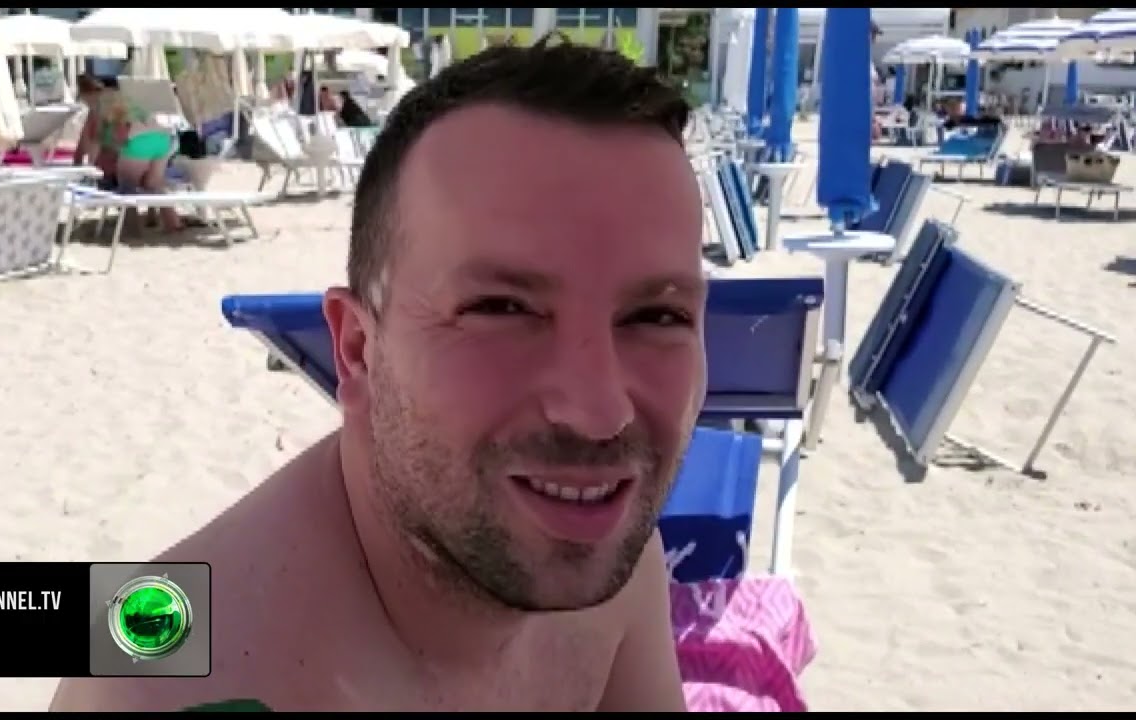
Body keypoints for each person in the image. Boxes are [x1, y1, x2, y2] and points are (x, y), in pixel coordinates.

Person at [49, 37, 702, 712]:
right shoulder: (154, 685)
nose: (599, 414)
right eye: (502, 309)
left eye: (658, 316)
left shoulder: (610, 545)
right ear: (357, 350)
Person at [98, 83, 184, 232]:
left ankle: (132, 229)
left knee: (127, 185)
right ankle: (173, 223)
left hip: (138, 140)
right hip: (163, 139)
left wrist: (115, 147)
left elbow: (121, 134)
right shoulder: (144, 98)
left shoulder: (115, 104)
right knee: (154, 183)